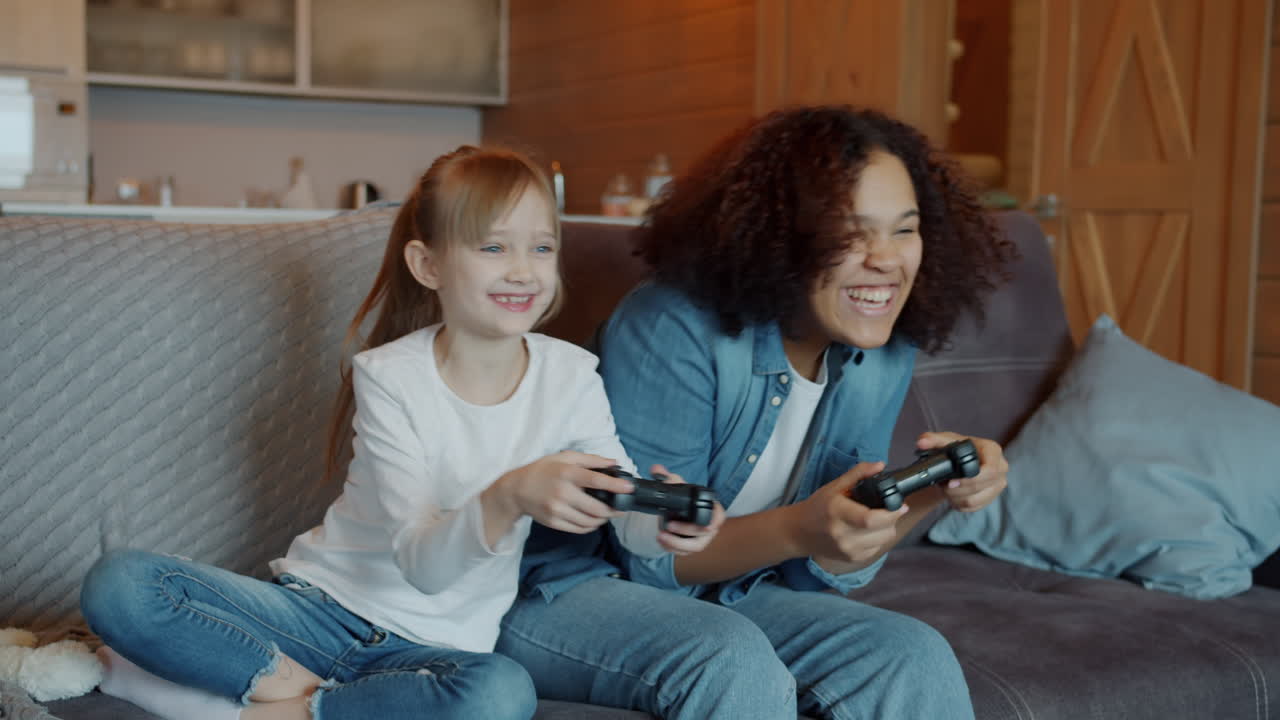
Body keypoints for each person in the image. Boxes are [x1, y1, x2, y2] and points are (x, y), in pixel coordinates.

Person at [78, 146, 721, 720]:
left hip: (438, 651)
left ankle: (273, 710)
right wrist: (509, 496)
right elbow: (422, 564)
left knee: (502, 694)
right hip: (318, 614)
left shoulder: (571, 375)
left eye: (542, 247)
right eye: (494, 247)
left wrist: (658, 523)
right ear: (428, 264)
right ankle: (302, 694)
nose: (524, 269)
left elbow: (617, 505)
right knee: (122, 584)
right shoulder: (390, 376)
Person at [497, 106, 1017, 719]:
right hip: (570, 586)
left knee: (911, 653)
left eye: (904, 230)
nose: (886, 260)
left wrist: (936, 492)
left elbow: (825, 568)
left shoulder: (883, 348)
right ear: (779, 236)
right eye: (849, 232)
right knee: (729, 656)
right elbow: (652, 558)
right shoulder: (673, 326)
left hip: (737, 589)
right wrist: (800, 528)